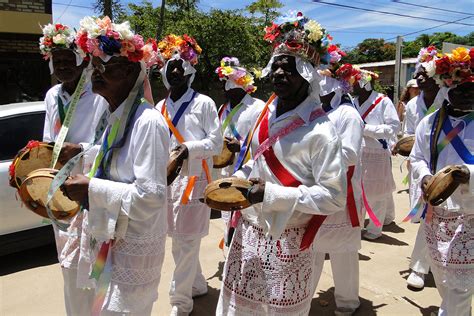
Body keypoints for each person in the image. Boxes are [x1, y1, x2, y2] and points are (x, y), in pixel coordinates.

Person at [216, 13, 347, 315]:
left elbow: (334, 196)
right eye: (274, 66)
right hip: (248, 232)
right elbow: (253, 162)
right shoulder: (264, 115)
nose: (277, 73)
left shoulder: (322, 132)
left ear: (308, 75)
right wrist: (237, 181)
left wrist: (273, 195)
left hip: (289, 239)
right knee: (236, 308)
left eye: (287, 68)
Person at [61, 16, 169, 315]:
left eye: (105, 66)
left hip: (131, 248)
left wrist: (91, 189)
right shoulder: (115, 115)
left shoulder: (148, 121)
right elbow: (114, 157)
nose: (96, 72)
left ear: (132, 71)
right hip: (110, 238)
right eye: (94, 65)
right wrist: (82, 150)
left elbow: (152, 197)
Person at [38, 22, 108, 315]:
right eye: (58, 61)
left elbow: (107, 149)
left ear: (83, 61)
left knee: (93, 265)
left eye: (69, 61)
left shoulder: (100, 97)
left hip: (88, 190)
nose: (63, 66)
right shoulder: (52, 95)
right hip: (59, 193)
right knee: (67, 265)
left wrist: (79, 149)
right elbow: (47, 140)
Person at [155, 34, 222, 316]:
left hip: (194, 181)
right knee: (179, 240)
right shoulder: (159, 107)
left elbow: (216, 143)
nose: (176, 71)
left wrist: (187, 149)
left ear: (191, 72)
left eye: (181, 66)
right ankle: (196, 284)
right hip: (167, 181)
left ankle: (179, 302)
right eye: (171, 66)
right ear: (165, 73)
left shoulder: (204, 103)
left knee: (185, 241)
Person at [410, 46, 473, 316]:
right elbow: (417, 157)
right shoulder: (429, 123)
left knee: (460, 285)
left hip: (470, 214)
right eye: (461, 88)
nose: (468, 94)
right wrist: (425, 177)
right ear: (448, 87)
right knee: (444, 276)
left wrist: (468, 175)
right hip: (438, 215)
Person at [314, 61, 364, 316]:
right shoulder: (315, 110)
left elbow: (350, 154)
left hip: (341, 194)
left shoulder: (348, 114)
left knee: (342, 251)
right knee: (312, 245)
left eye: (321, 76)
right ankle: (302, 293)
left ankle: (347, 301)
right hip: (315, 190)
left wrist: (311, 158)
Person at [403, 46, 445, 289]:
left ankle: (419, 267)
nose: (419, 78)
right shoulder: (411, 105)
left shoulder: (451, 99)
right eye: (418, 73)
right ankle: (423, 265)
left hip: (449, 167)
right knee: (427, 216)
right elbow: (409, 133)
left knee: (434, 216)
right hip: (421, 167)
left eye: (424, 73)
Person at [214, 56, 265, 249]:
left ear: (239, 84)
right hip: (225, 170)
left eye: (225, 83)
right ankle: (230, 254)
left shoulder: (257, 107)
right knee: (227, 217)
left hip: (247, 173)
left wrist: (241, 146)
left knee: (247, 219)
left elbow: (263, 143)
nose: (222, 88)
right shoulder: (223, 108)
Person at [352, 68, 400, 240]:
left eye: (354, 81)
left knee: (377, 194)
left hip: (376, 153)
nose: (351, 85)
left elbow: (394, 127)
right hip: (357, 152)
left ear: (365, 83)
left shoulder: (383, 101)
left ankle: (374, 229)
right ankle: (357, 226)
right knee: (358, 190)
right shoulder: (352, 101)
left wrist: (366, 129)